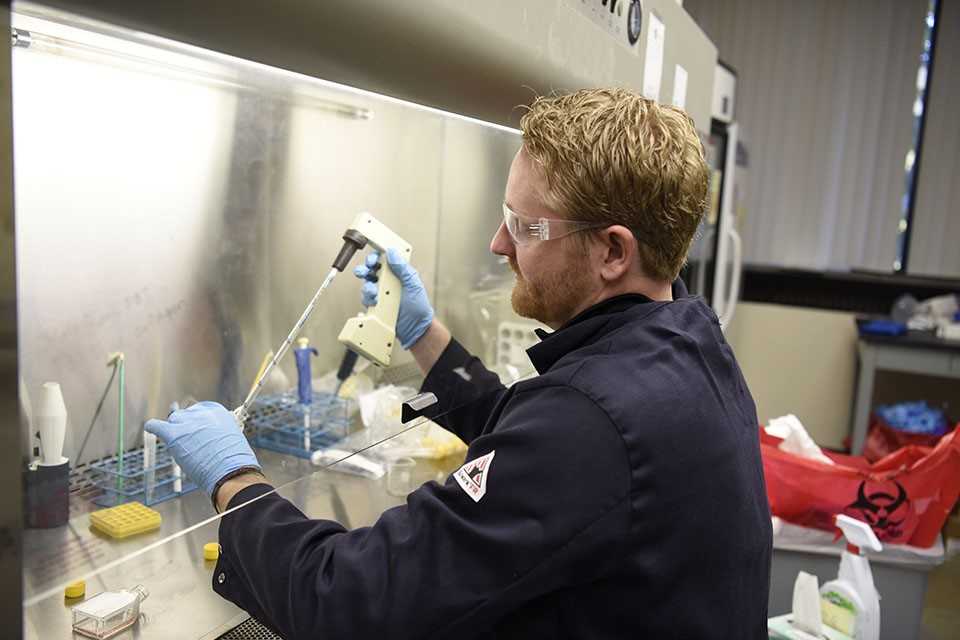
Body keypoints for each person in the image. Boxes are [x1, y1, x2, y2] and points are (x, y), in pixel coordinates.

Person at [146, 88, 772, 639]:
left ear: (613, 251)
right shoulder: (685, 338)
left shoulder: (594, 420)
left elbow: (347, 603)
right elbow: (540, 437)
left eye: (526, 228)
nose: (499, 244)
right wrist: (426, 338)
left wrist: (234, 480)